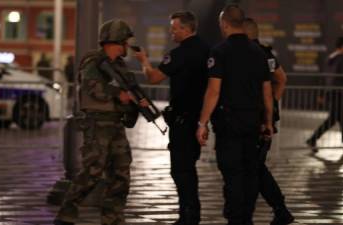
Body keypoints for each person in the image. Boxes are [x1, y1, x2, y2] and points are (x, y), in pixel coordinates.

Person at [54, 19, 141, 225]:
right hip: (97, 124)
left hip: (116, 125)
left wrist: (136, 105)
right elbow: (93, 88)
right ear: (116, 40)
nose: (127, 45)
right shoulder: (93, 61)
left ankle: (113, 219)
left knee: (121, 175)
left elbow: (130, 95)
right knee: (92, 172)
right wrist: (118, 93)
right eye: (125, 41)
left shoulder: (120, 66)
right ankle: (67, 212)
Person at [196, 5, 273, 225]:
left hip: (229, 124)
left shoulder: (219, 51)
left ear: (225, 24)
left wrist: (202, 123)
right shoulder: (258, 52)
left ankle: (235, 219)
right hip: (253, 123)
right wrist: (267, 122)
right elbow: (267, 92)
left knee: (232, 174)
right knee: (250, 173)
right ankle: (246, 218)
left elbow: (214, 90)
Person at [134, 11, 209, 225]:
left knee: (180, 170)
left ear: (186, 29)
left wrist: (144, 60)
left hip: (182, 120)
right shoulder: (208, 50)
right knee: (189, 167)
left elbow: (154, 77)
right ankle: (189, 213)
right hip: (199, 118)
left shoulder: (179, 54)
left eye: (174, 28)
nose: (171, 32)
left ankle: (189, 216)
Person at [243, 18, 294, 225]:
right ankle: (279, 210)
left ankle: (278, 209)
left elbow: (280, 79)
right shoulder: (266, 53)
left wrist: (268, 109)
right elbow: (282, 79)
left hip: (256, 120)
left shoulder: (250, 54)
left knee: (254, 168)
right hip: (263, 119)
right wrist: (272, 104)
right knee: (255, 167)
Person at [306, 37, 343, 153]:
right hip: (338, 92)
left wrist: (322, 93)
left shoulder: (330, 58)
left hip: (330, 92)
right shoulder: (342, 59)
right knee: (333, 119)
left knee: (342, 118)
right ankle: (313, 139)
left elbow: (325, 77)